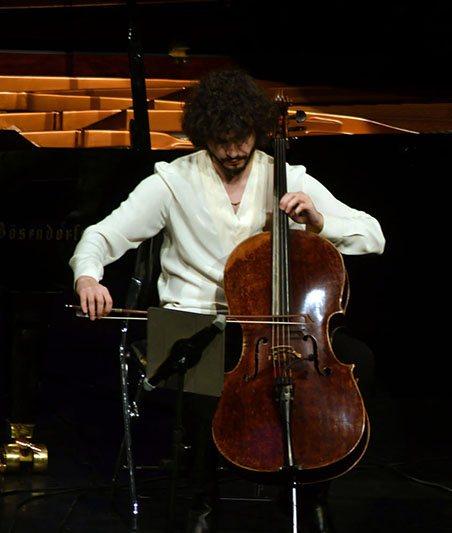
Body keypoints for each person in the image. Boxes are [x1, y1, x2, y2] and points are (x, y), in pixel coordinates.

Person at [70, 70, 385, 533]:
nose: (234, 151)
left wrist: (318, 222)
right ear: (204, 135)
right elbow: (101, 236)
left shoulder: (287, 177)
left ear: (257, 131)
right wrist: (88, 277)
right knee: (202, 382)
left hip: (271, 326)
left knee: (360, 362)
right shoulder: (172, 182)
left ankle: (311, 490)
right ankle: (203, 501)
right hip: (194, 321)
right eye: (222, 141)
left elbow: (373, 236)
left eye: (243, 139)